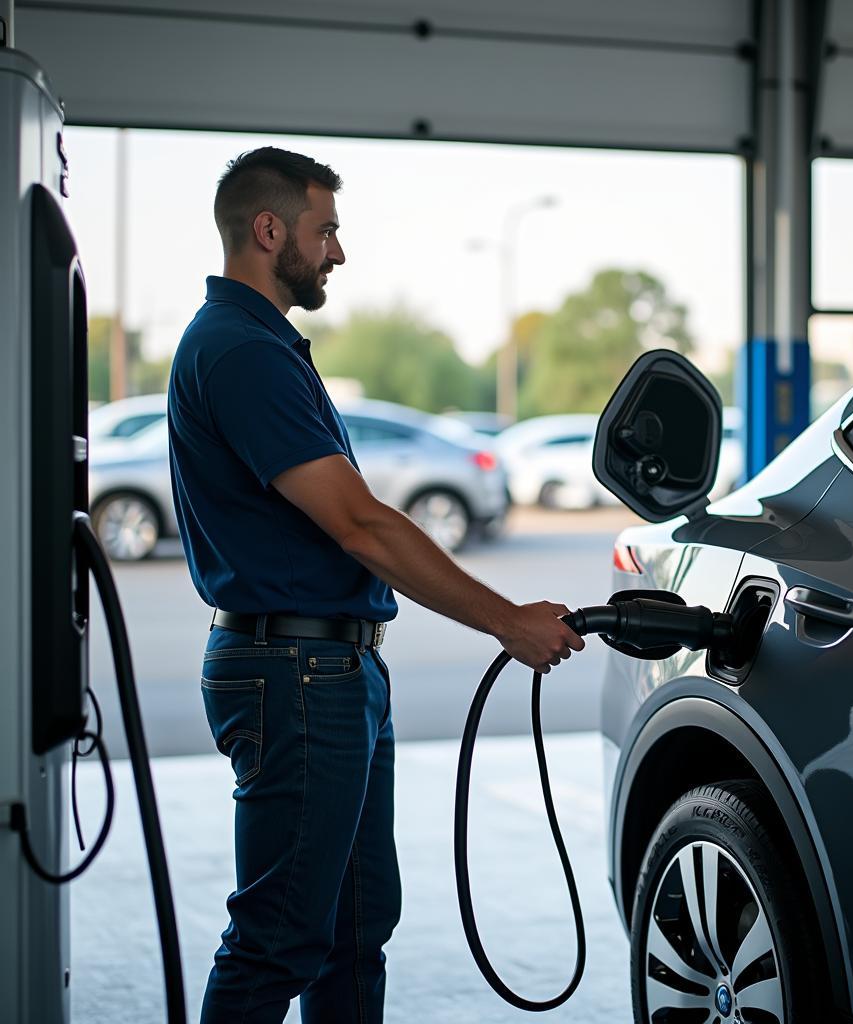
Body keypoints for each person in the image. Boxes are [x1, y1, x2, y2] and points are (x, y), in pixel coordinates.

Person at [167, 146, 584, 1024]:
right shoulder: (241, 351)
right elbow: (360, 524)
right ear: (268, 228)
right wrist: (506, 619)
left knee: (356, 931)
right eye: (326, 232)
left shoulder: (261, 344)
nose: (337, 254)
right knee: (278, 939)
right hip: (297, 674)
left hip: (328, 670)